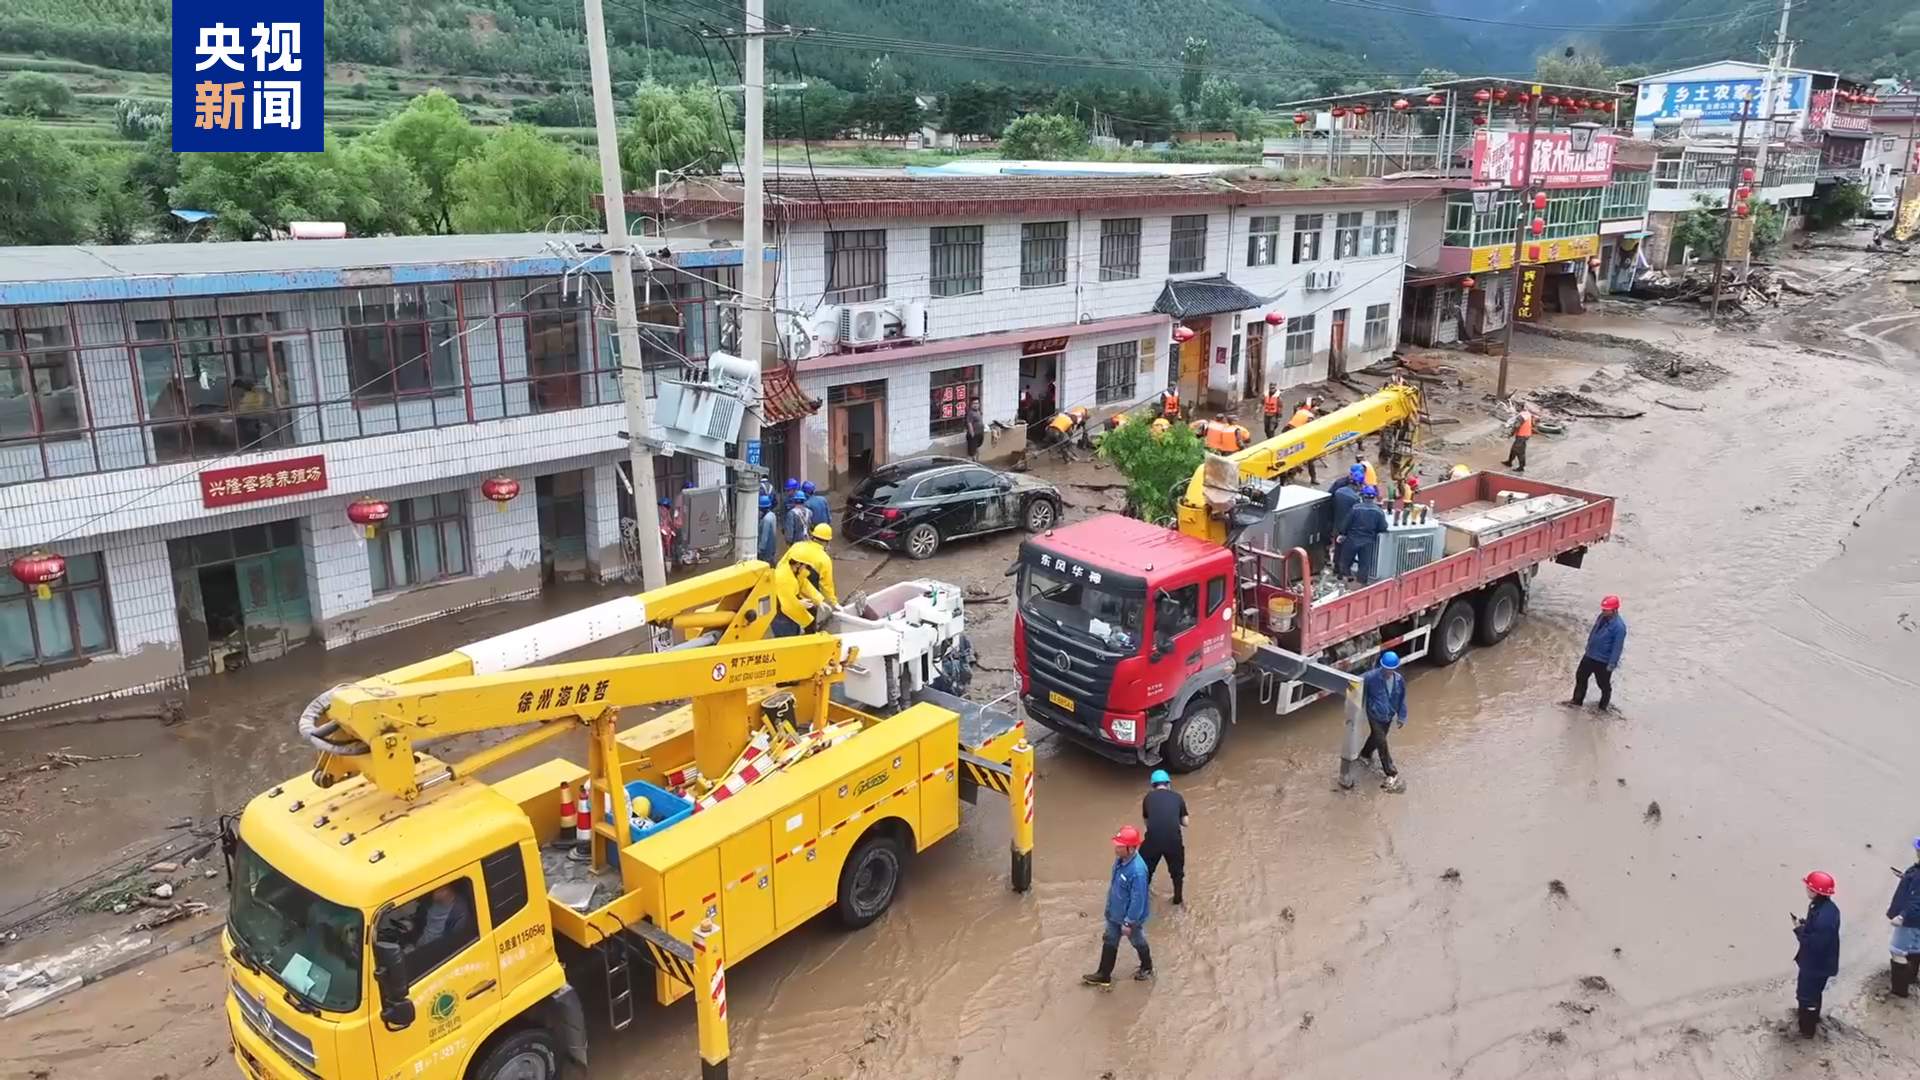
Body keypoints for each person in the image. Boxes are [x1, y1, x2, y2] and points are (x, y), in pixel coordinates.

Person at [1084, 825, 1152, 986]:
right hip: (1115, 913)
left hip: (1129, 918)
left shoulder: (1138, 872)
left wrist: (1129, 922)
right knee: (1110, 939)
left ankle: (1147, 966)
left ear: (1130, 848)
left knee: (1137, 940)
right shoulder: (1121, 860)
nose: (1116, 848)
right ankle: (1104, 974)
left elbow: (1138, 900)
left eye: (1120, 845)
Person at [1793, 870, 1841, 1037]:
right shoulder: (1826, 908)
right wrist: (1805, 925)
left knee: (1806, 995)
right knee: (1814, 992)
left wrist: (1799, 930)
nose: (1806, 889)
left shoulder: (1823, 915)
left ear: (1814, 890)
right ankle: (1811, 1018)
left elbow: (1814, 944)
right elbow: (1818, 933)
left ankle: (1807, 1030)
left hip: (1815, 965)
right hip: (1821, 963)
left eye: (1807, 886)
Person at [1357, 651, 1407, 791]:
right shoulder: (1371, 677)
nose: (1388, 672)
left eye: (1391, 669)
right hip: (1374, 714)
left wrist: (1402, 716)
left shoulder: (1399, 680)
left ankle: (1365, 754)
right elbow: (1357, 687)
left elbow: (1402, 698)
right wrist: (1356, 711)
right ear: (1381, 666)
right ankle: (1391, 773)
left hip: (1388, 716)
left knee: (1377, 737)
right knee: (1382, 742)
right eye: (1386, 668)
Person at [1568, 595, 1627, 712]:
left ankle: (1602, 708)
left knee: (1603, 685)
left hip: (1603, 661)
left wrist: (1611, 664)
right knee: (1581, 677)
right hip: (1590, 655)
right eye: (1603, 609)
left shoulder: (1619, 627)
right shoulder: (1602, 617)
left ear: (1614, 610)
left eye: (1606, 610)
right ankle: (1576, 701)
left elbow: (1617, 648)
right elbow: (1595, 631)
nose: (1603, 611)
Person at [1140, 770, 1189, 905]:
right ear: (1168, 784)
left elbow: (1147, 823)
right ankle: (1178, 899)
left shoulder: (1148, 798)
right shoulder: (1178, 797)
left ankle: (1142, 899)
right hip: (1173, 841)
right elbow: (1186, 823)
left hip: (1153, 840)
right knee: (1177, 873)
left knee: (1144, 871)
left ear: (1153, 785)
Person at [1336, 485, 1389, 584]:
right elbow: (1383, 527)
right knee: (1364, 565)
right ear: (1373, 497)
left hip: (1352, 539)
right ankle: (1361, 584)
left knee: (1345, 561)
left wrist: (1342, 533)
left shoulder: (1355, 508)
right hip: (1368, 541)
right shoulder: (1378, 511)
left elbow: (1346, 523)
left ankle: (1345, 579)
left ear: (1363, 496)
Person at [1888, 839, 1920, 998]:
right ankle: (1911, 978)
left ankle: (1899, 991)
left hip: (1911, 920)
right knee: (1915, 948)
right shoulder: (1916, 873)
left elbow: (1916, 901)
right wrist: (1906, 878)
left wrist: (1901, 916)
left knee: (1897, 951)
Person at [782, 523, 839, 610]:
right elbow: (826, 585)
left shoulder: (797, 546)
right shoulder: (824, 559)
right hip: (808, 600)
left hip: (787, 593)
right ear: (827, 542)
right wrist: (834, 602)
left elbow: (782, 565)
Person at [1329, 463, 1366, 537]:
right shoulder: (1340, 484)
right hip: (1337, 514)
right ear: (1351, 474)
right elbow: (1330, 497)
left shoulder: (1353, 487)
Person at [1287, 398, 1319, 482]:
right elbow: (1310, 428)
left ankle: (1292, 475)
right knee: (1307, 459)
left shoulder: (1300, 411)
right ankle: (1312, 478)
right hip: (1299, 437)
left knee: (1293, 457)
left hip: (1291, 434)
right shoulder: (1310, 416)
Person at [1506, 403, 1535, 472]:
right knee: (1514, 449)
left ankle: (1521, 467)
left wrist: (1511, 433)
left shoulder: (1521, 416)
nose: (1515, 408)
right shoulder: (1527, 413)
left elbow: (1516, 426)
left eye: (1516, 406)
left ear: (1520, 407)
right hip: (1526, 434)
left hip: (1522, 436)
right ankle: (1509, 462)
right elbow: (1533, 423)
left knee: (1519, 451)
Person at [756, 493, 777, 564]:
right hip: (772, 546)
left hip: (766, 551)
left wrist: (759, 550)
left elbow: (764, 537)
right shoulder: (772, 515)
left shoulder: (766, 520)